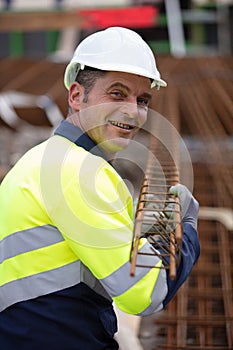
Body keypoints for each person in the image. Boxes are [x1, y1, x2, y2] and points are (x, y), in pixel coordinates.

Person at [0, 27, 200, 349]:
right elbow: (145, 292)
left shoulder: (38, 159)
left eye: (142, 100)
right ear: (77, 96)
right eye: (117, 94)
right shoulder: (78, 171)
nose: (133, 111)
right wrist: (185, 231)